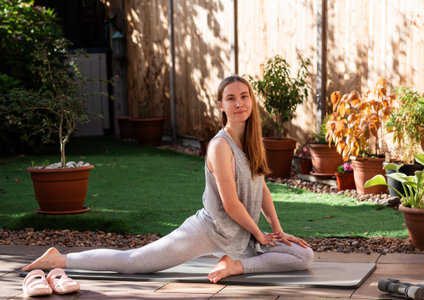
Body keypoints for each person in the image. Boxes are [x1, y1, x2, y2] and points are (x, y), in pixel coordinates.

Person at [22, 75, 313, 283]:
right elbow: (232, 204)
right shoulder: (220, 146)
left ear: (251, 100)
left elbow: (261, 188)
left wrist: (277, 231)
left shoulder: (252, 140)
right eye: (231, 98)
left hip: (242, 235)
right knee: (134, 263)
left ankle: (235, 265)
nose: (239, 103)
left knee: (304, 255)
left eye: (244, 96)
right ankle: (59, 259)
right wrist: (260, 235)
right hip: (211, 229)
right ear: (221, 105)